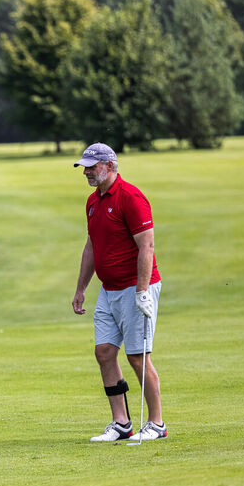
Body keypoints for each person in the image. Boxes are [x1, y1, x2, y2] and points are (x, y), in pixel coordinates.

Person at [71, 143, 167, 442]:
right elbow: (91, 247)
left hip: (136, 287)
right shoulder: (93, 201)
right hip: (109, 289)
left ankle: (157, 424)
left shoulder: (131, 197)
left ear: (110, 165)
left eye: (92, 167)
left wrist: (142, 291)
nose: (86, 172)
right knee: (104, 352)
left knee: (137, 357)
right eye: (85, 167)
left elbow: (146, 246)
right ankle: (121, 423)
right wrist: (81, 288)